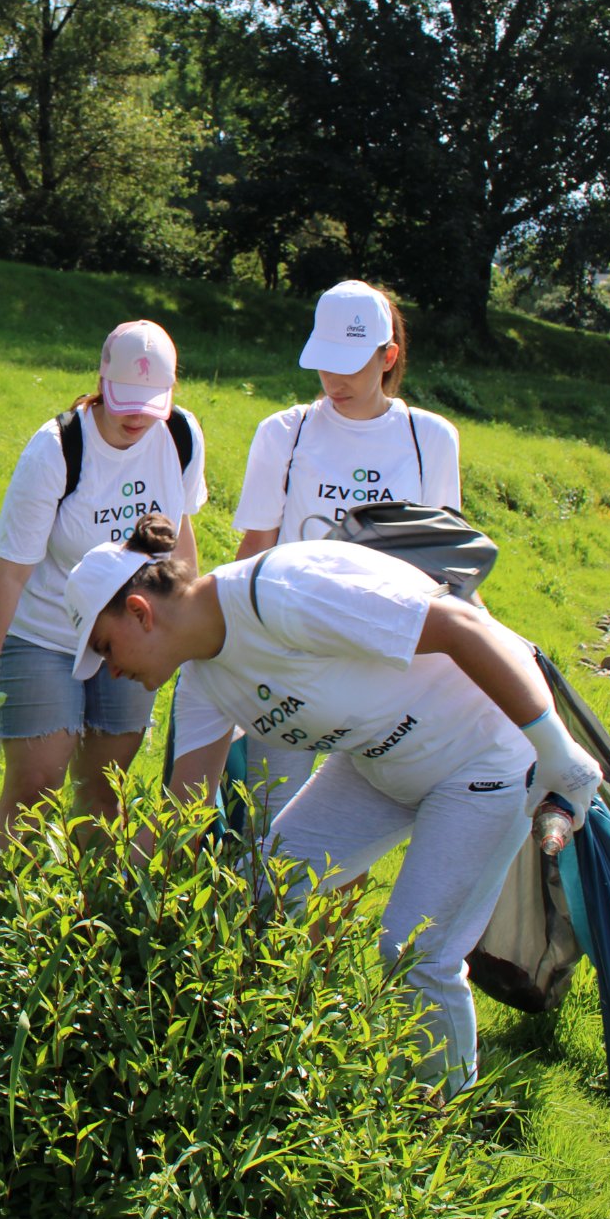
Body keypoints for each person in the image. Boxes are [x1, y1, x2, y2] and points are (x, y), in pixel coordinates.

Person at [67, 514, 604, 1091]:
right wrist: (102, 909)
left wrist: (555, 749)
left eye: (105, 647)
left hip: (484, 754)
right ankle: (254, 1063)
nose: (111, 670)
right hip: (382, 765)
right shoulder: (203, 682)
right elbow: (182, 815)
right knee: (257, 894)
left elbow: (459, 624)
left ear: (140, 612)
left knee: (415, 952)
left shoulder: (279, 593)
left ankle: (443, 1114)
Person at [166, 280, 460, 825]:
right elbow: (254, 549)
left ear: (388, 357)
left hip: (385, 657)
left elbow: (442, 563)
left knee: (349, 823)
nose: (334, 380)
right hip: (289, 654)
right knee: (269, 820)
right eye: (325, 362)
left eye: (350, 364)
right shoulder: (285, 432)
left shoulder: (431, 439)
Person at [0, 321, 206, 845]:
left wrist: (187, 629)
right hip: (48, 634)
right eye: (125, 400)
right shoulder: (57, 448)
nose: (136, 417)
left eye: (150, 404)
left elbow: (181, 536)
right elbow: (12, 570)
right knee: (35, 787)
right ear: (101, 379)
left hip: (134, 636)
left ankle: (88, 896)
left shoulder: (180, 435)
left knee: (105, 791)